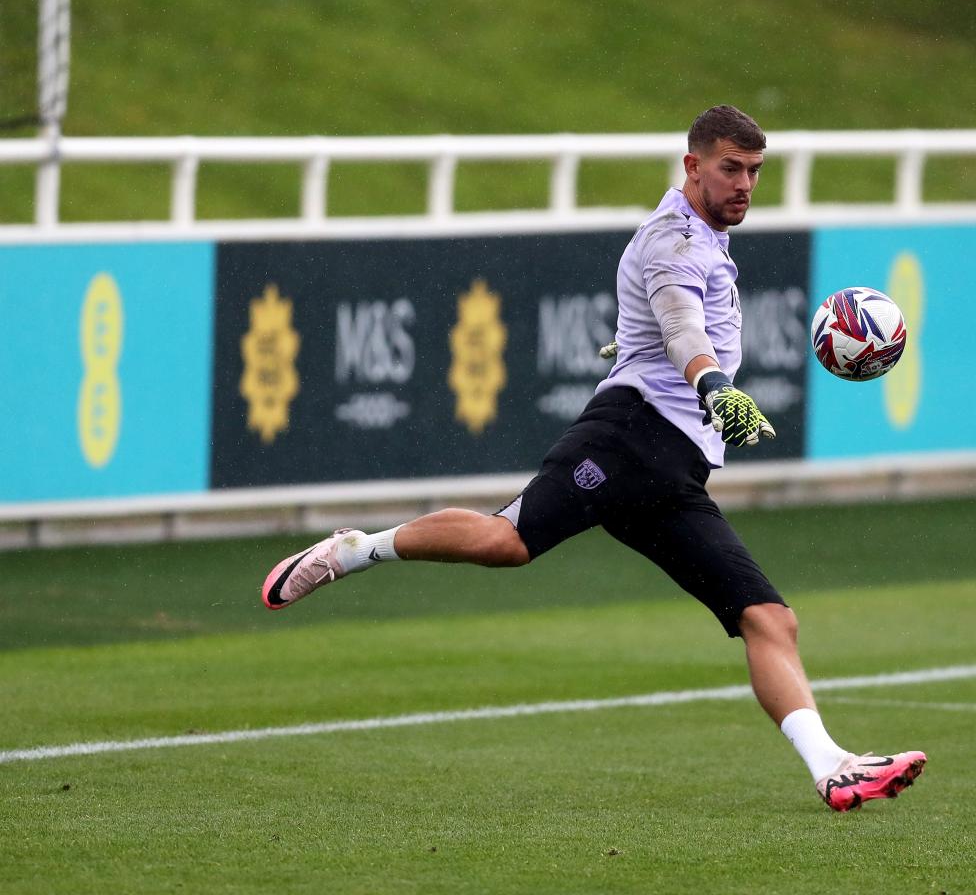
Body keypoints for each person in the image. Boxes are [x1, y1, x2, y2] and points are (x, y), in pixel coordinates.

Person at [261, 105, 926, 812]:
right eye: (731, 168)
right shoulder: (674, 240)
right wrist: (712, 384)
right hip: (627, 440)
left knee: (769, 618)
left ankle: (832, 768)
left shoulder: (703, 238)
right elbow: (679, 324)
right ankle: (356, 550)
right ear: (692, 165)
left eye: (755, 172)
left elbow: (666, 324)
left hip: (671, 473)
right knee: (507, 540)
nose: (745, 185)